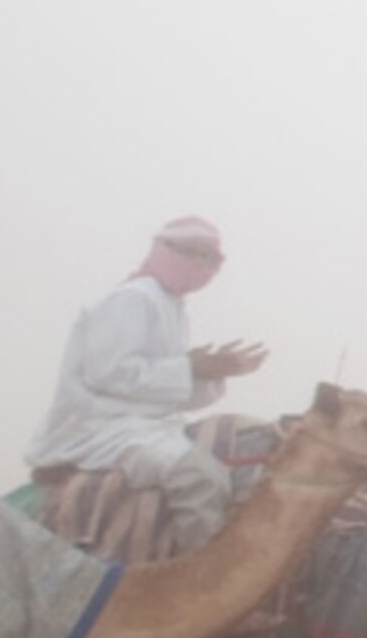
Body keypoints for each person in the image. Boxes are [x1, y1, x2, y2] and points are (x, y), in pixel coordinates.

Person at [24, 217, 269, 553]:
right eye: (191, 253)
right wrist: (190, 367)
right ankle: (198, 581)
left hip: (144, 426)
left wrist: (214, 371)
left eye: (210, 259)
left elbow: (165, 392)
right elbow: (109, 374)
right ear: (163, 250)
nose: (201, 265)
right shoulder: (133, 299)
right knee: (202, 479)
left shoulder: (173, 307)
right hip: (99, 428)